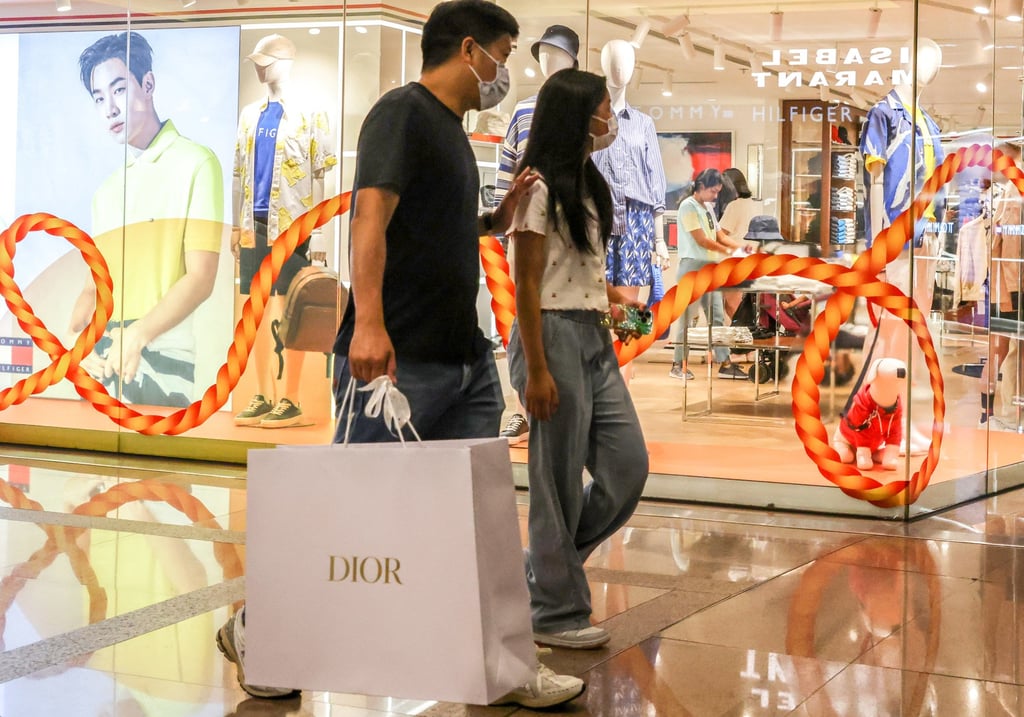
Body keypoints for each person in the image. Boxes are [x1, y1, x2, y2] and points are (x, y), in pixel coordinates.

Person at [217, 1, 584, 709]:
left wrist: (494, 220)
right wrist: (369, 325)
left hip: (463, 358)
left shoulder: (450, 131)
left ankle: (504, 666)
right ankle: (258, 627)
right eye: (504, 54)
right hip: (397, 361)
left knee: (477, 522)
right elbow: (370, 218)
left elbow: (434, 225)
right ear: (470, 49)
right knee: (353, 512)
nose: (504, 72)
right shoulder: (401, 113)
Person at [507, 68, 649, 650]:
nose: (610, 117)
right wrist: (537, 368)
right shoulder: (537, 186)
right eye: (603, 107)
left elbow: (579, 270)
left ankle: (546, 570)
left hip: (592, 335)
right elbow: (527, 283)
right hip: (551, 336)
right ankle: (555, 610)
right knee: (556, 478)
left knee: (626, 467)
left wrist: (614, 301)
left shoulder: (590, 184)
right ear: (577, 115)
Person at [69, 31, 223, 408]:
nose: (110, 109)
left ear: (148, 83)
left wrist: (138, 334)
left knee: (155, 468)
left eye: (119, 90)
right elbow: (95, 287)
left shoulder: (197, 163)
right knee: (91, 467)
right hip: (104, 360)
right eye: (99, 98)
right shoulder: (106, 191)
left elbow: (201, 277)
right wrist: (78, 338)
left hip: (161, 356)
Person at [231, 34, 337, 428]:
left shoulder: (311, 113)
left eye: (266, 60)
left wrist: (321, 234)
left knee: (294, 308)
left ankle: (290, 397)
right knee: (255, 311)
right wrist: (234, 222)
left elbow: (320, 174)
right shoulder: (249, 114)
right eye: (257, 61)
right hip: (253, 226)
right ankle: (262, 394)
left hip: (294, 226)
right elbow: (239, 173)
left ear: (285, 62)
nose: (260, 68)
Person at [493, 24, 581, 446]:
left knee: (563, 317)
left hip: (573, 234)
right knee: (524, 310)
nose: (549, 60)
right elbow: (506, 167)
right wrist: (498, 222)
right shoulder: (523, 111)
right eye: (543, 53)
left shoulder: (584, 112)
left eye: (557, 54)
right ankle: (523, 405)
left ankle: (554, 406)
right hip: (526, 227)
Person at [669, 169, 747, 381]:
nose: (715, 196)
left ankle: (724, 362)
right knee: (688, 317)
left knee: (717, 316)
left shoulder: (708, 208)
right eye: (713, 191)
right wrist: (730, 251)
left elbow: (719, 235)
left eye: (717, 192)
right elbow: (702, 240)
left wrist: (741, 248)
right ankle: (678, 364)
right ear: (701, 187)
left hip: (710, 267)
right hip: (692, 267)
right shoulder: (687, 207)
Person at [717, 168, 762, 319]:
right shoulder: (755, 205)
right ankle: (745, 335)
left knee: (731, 304)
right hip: (752, 260)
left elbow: (721, 234)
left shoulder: (734, 206)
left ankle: (741, 337)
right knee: (743, 304)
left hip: (734, 262)